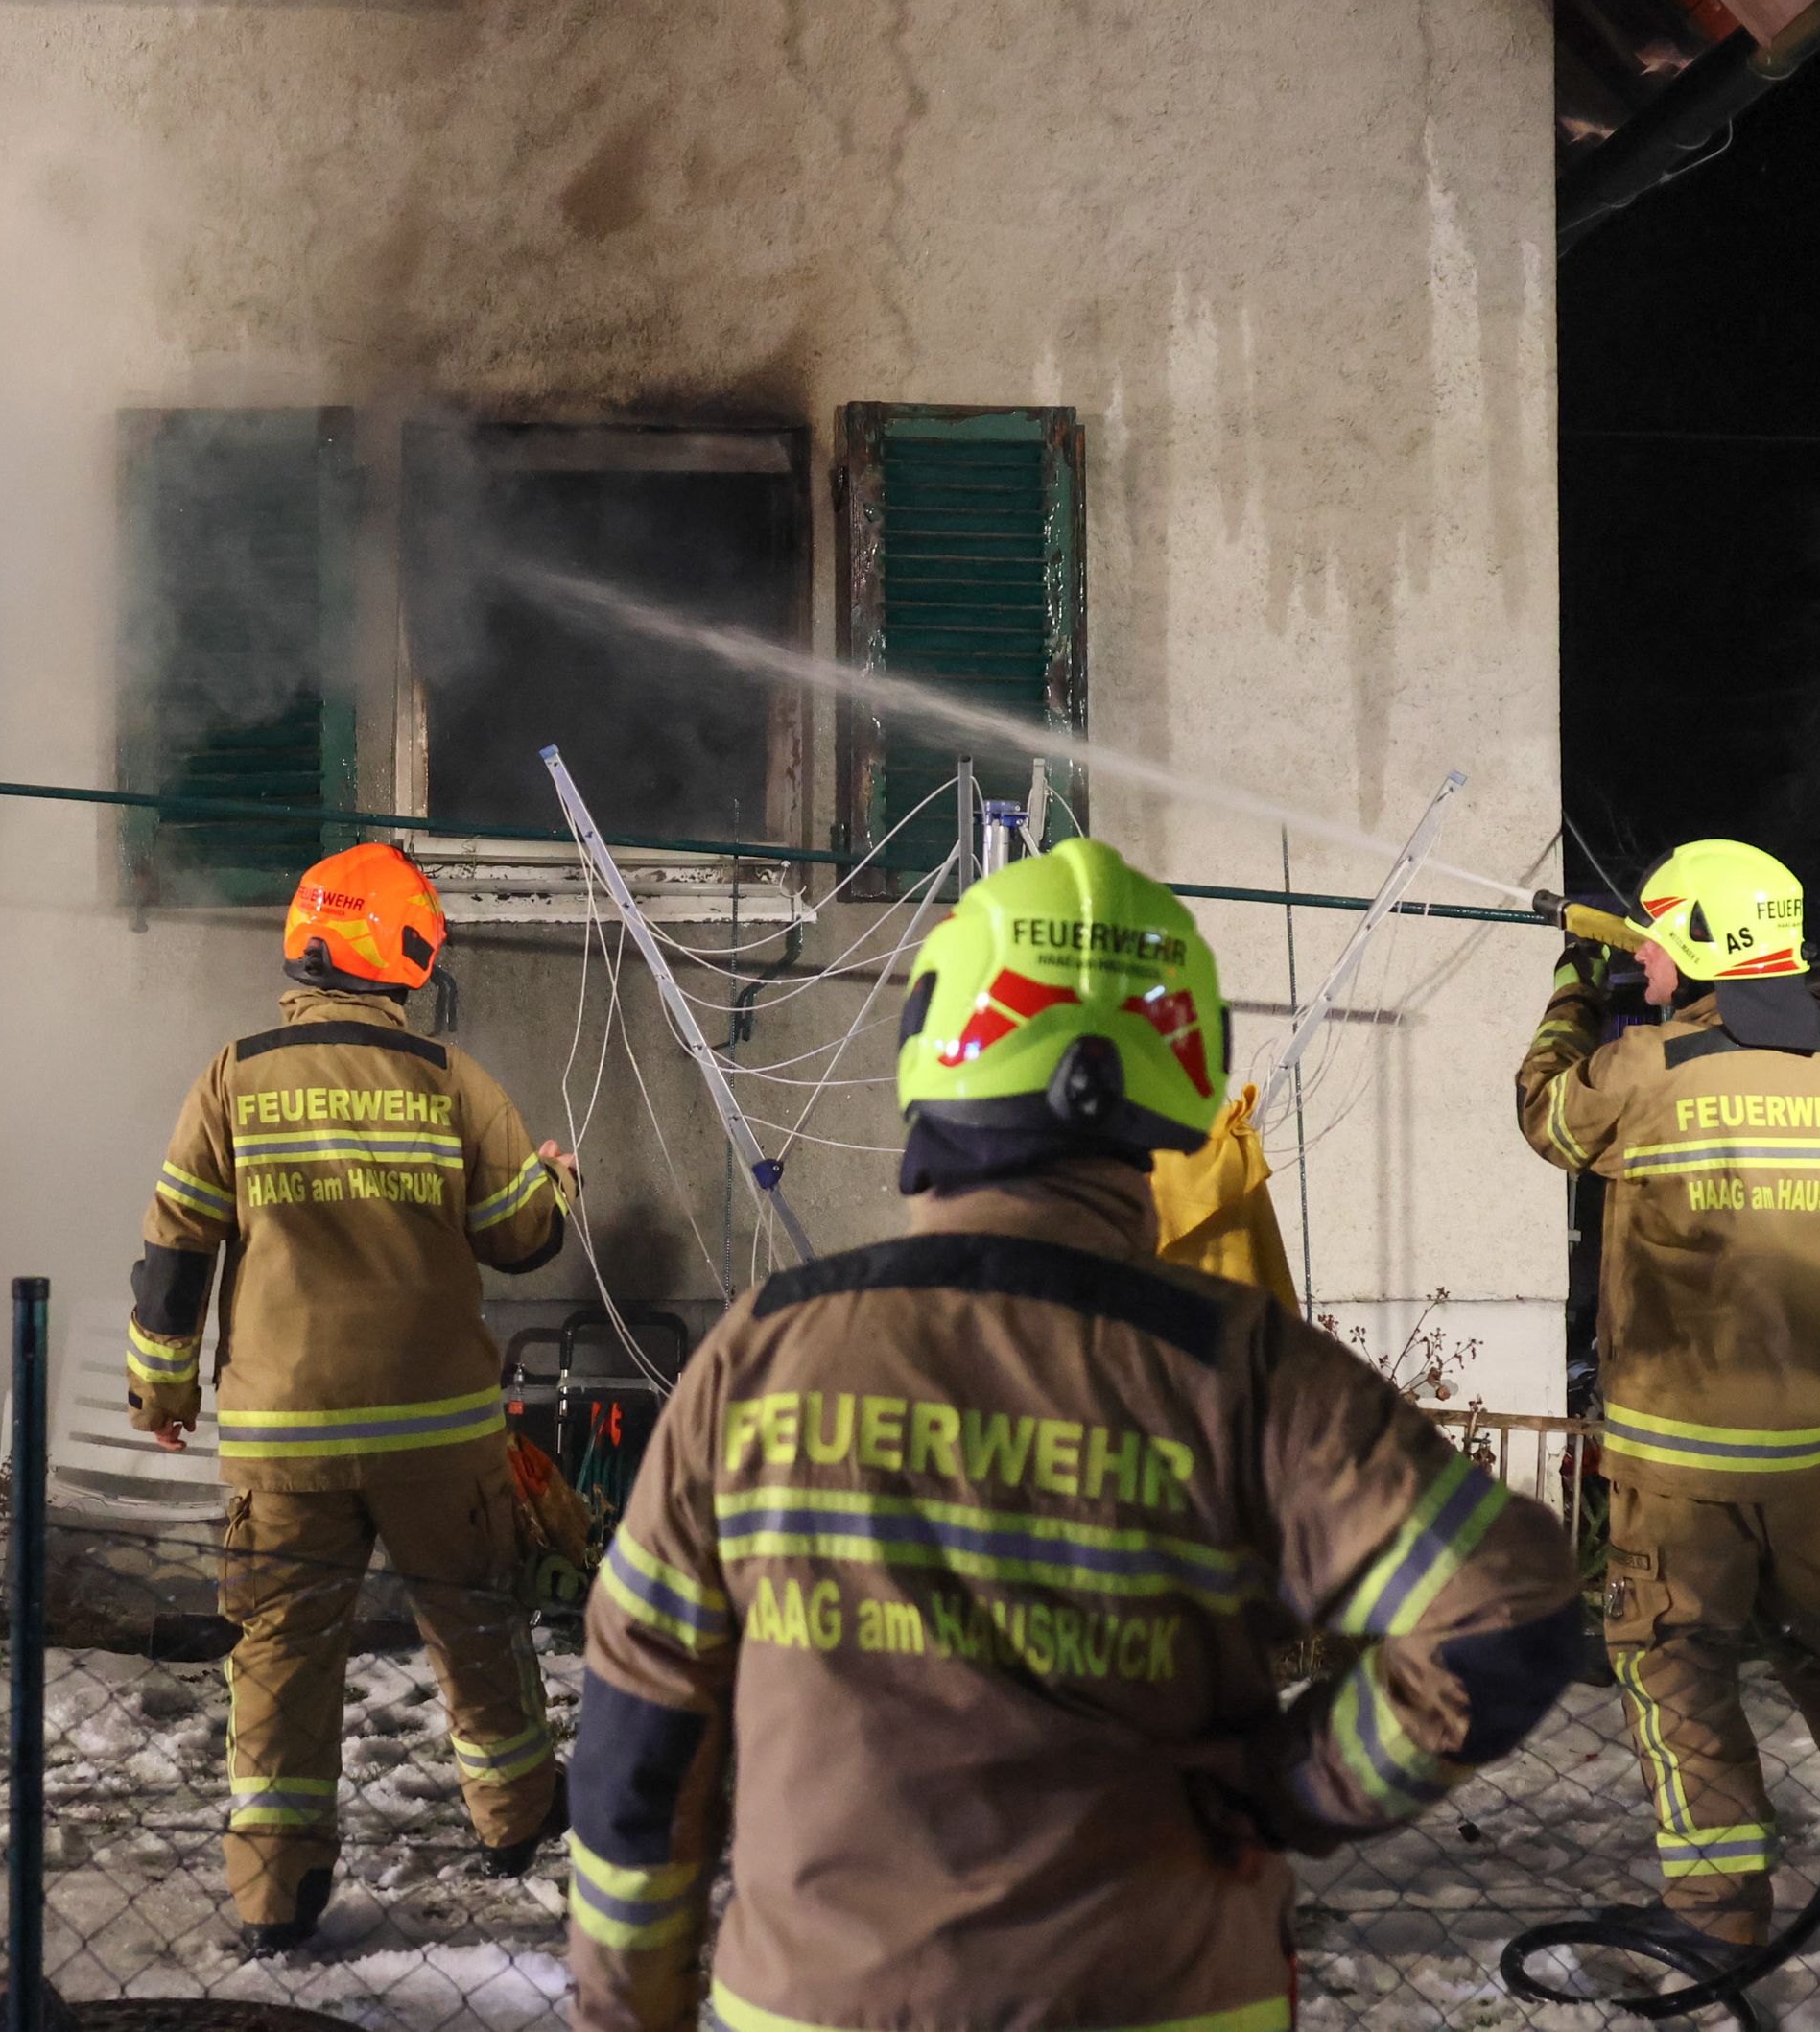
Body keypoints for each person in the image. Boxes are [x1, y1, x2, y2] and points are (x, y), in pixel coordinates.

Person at [564, 839, 1581, 2032]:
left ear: (935, 1046)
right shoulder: (1240, 1366)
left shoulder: (761, 1352)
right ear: (1181, 1069)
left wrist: (628, 2011)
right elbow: (1506, 1611)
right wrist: (1298, 1783)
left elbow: (637, 1742)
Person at [1518, 838, 1820, 1963]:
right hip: (1818, 1460)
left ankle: (1718, 1906)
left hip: (1681, 1464)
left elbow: (1547, 1115)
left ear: (1694, 943)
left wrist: (1570, 995)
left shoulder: (1649, 1073)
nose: (1649, 962)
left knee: (1674, 1666)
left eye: (1661, 939)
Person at [125, 842, 577, 1956]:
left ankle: (275, 1893)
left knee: (278, 1650)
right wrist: (558, 1182)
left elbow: (175, 1249)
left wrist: (162, 1384)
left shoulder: (232, 1074)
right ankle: (515, 1823)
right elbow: (521, 1239)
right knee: (474, 1621)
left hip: (284, 1439)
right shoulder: (449, 1081)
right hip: (438, 1433)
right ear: (403, 952)